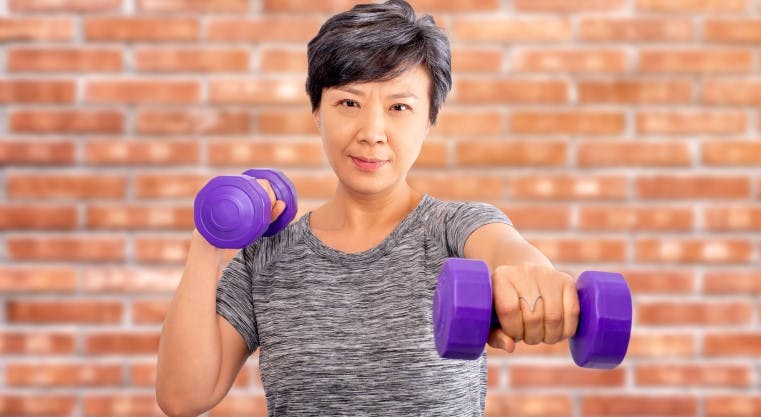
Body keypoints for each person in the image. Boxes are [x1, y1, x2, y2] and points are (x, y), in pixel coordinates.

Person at [156, 1, 579, 416]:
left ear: (429, 118)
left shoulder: (454, 229)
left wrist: (533, 277)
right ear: (317, 111)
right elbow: (183, 397)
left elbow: (510, 251)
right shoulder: (268, 257)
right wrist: (209, 240)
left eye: (399, 108)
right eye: (349, 103)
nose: (372, 132)